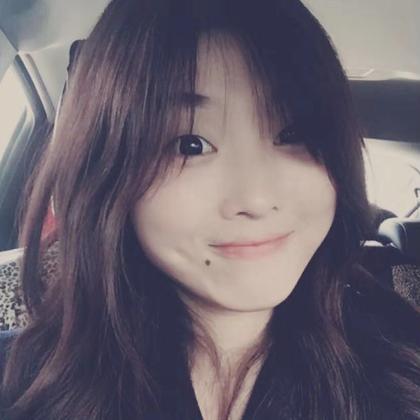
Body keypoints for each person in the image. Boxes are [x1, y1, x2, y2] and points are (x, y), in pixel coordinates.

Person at [1, 0, 420, 419]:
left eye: (293, 132)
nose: (255, 200)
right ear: (106, 170)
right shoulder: (22, 384)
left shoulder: (400, 365)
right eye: (190, 145)